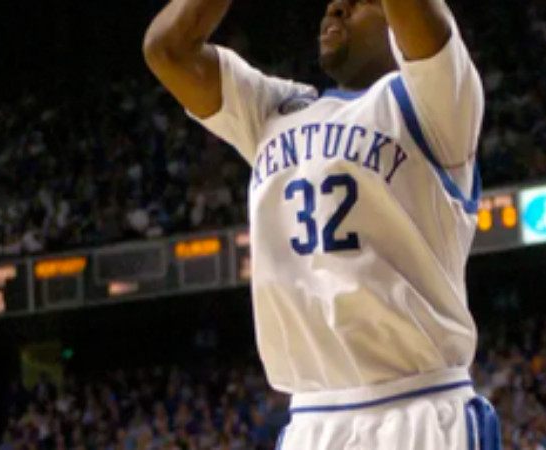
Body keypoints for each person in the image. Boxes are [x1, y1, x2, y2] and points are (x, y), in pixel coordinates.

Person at [143, 0, 499, 448]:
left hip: (419, 409)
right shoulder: (275, 110)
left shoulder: (435, 100)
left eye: (360, 1)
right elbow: (167, 50)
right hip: (312, 421)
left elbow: (425, 23)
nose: (336, 7)